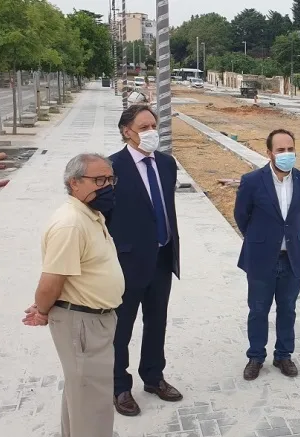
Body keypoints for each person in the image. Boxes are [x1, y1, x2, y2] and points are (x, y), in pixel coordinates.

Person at [22, 153, 124, 437]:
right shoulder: (70, 224)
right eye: (99, 180)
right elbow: (51, 279)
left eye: (110, 179)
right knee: (92, 402)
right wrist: (42, 311)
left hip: (93, 321)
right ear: (74, 183)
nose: (107, 186)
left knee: (83, 394)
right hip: (81, 323)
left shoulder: (90, 214)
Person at [106, 104, 182, 416]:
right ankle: (119, 386)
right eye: (144, 127)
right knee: (120, 328)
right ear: (127, 131)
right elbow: (103, 217)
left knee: (156, 323)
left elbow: (163, 206)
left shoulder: (167, 164)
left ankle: (153, 376)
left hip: (162, 258)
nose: (152, 132)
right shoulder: (111, 168)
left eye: (154, 126)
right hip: (126, 263)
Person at [234, 128, 300, 381]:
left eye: (290, 149)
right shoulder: (252, 181)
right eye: (281, 150)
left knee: (288, 309)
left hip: (292, 259)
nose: (286, 154)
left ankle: (283, 355)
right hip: (260, 259)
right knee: (258, 310)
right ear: (269, 153)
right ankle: (256, 356)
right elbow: (241, 216)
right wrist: (261, 239)